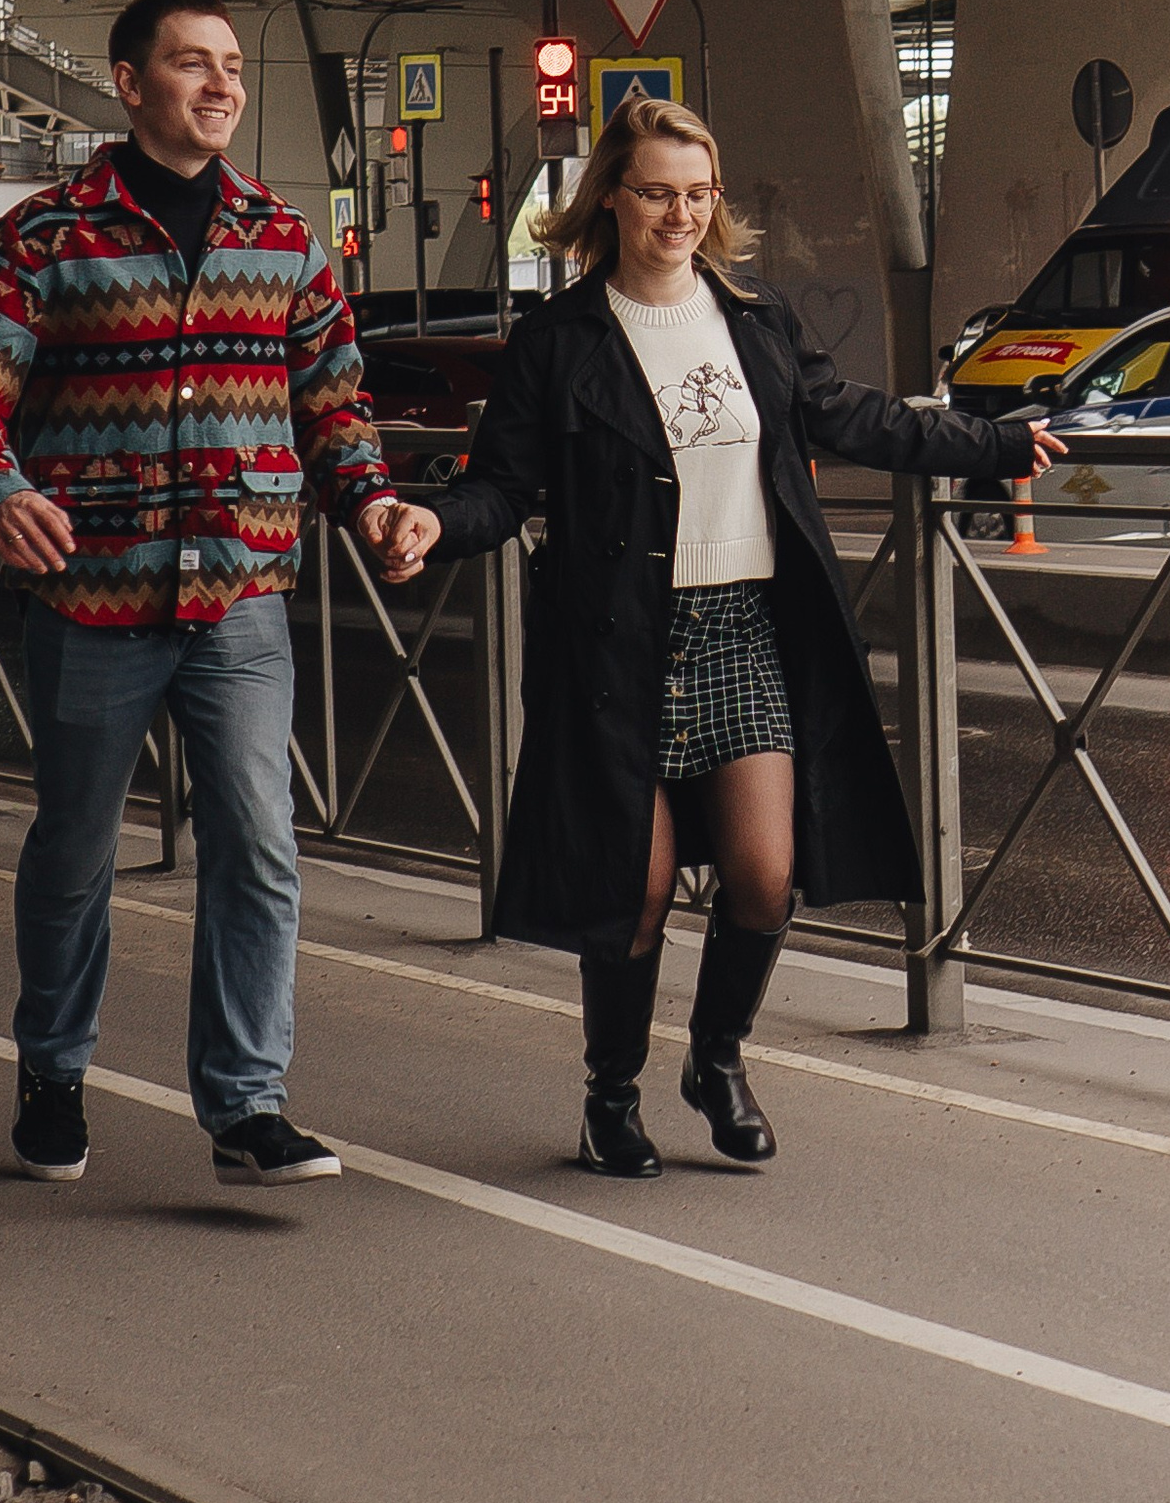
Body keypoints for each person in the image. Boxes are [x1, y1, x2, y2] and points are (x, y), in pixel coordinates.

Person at [433, 94, 1062, 1176]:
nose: (679, 214)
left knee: (766, 875)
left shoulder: (756, 315)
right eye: (656, 193)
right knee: (633, 889)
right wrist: (429, 523)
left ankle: (715, 1061)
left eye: (697, 193)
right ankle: (611, 1094)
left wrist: (994, 443)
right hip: (619, 641)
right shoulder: (558, 341)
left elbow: (853, 415)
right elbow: (500, 488)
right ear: (610, 201)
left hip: (745, 626)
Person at [0, 0, 439, 1188]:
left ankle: (247, 1107)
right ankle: (52, 1070)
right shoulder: (49, 236)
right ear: (129, 80)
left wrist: (374, 505)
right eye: (192, 63)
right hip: (94, 599)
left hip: (242, 601)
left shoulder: (282, 239)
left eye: (233, 67)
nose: (220, 86)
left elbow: (334, 408)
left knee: (257, 846)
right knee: (75, 849)